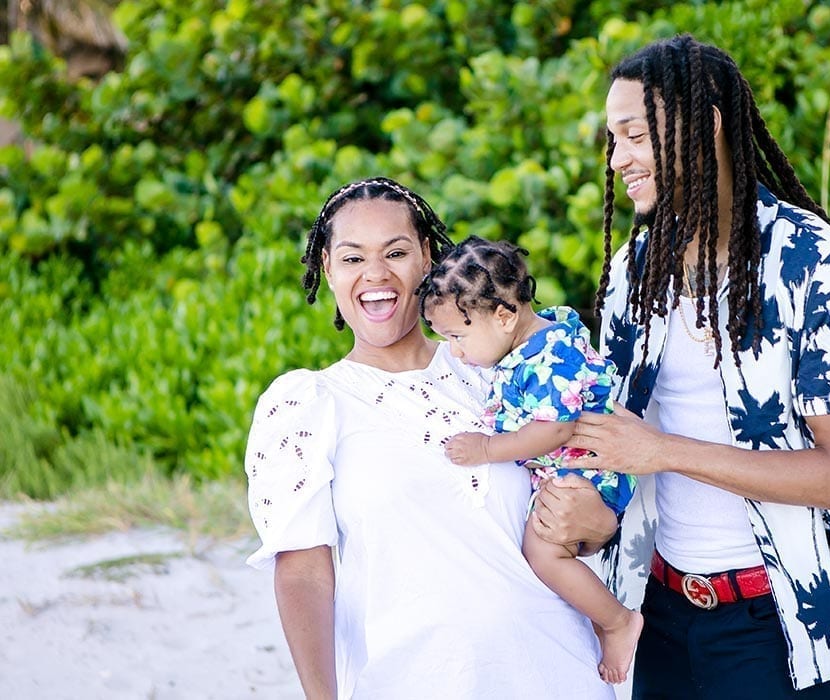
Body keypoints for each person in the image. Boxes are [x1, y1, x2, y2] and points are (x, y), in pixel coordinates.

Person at [564, 35, 830, 698]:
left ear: (707, 125)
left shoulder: (814, 264)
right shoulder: (633, 272)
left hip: (776, 625)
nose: (619, 160)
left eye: (635, 135)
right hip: (660, 615)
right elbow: (611, 439)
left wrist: (663, 451)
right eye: (613, 141)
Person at [243, 177, 618, 699]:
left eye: (395, 252)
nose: (376, 274)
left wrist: (601, 525)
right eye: (352, 258)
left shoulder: (504, 370)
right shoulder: (310, 404)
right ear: (327, 269)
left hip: (558, 673)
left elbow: (591, 484)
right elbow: (303, 573)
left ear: (426, 256)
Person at [417, 235, 644, 684]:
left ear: (504, 316)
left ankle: (618, 621)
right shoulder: (529, 345)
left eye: (458, 337)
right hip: (570, 469)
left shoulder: (550, 356)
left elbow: (553, 430)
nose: (455, 352)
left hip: (587, 472)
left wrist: (486, 449)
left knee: (543, 554)